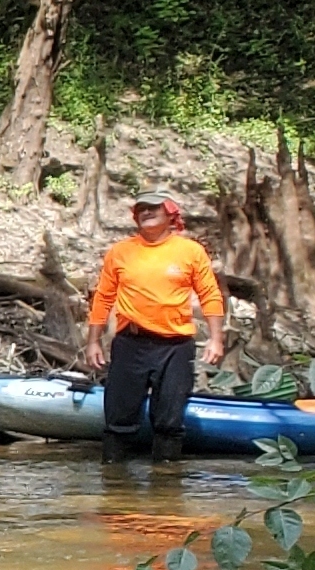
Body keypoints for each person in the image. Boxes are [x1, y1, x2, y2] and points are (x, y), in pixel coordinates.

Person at [82, 189, 229, 462]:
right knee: (118, 419)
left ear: (170, 214)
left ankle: (166, 487)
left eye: (153, 207)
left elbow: (210, 295)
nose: (146, 213)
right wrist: (92, 341)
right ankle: (113, 486)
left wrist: (216, 339)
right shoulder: (121, 252)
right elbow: (103, 298)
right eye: (141, 209)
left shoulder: (190, 251)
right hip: (131, 343)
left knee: (169, 423)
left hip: (176, 346)